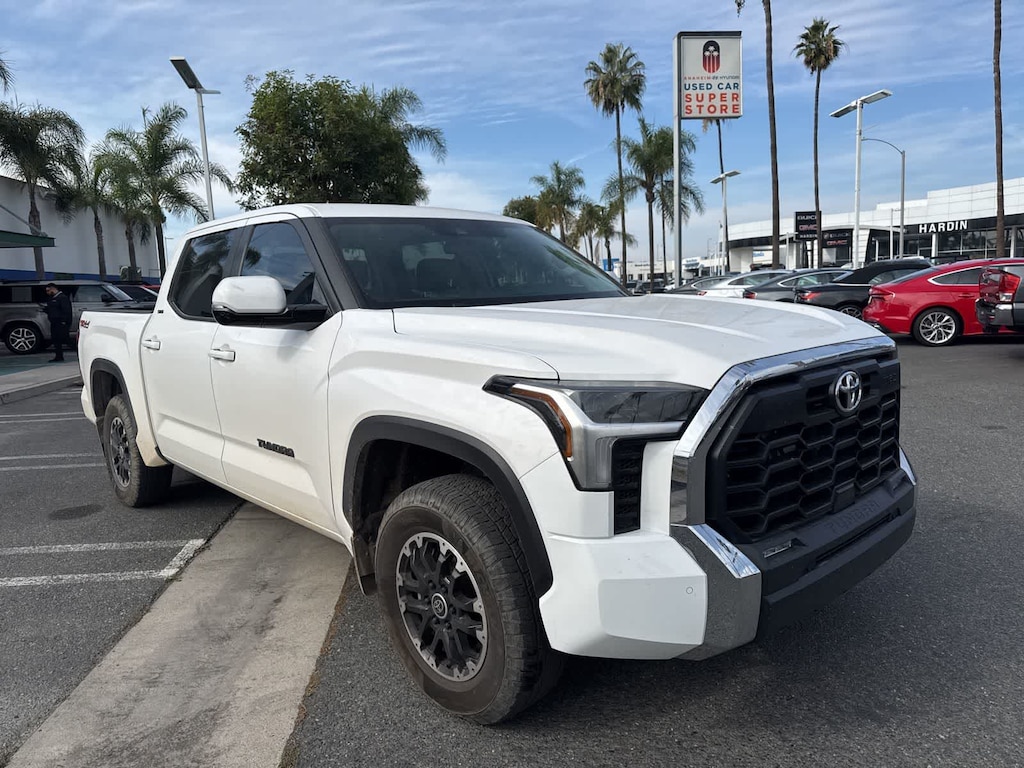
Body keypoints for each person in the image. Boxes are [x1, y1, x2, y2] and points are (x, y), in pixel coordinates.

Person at [44, 283, 73, 362]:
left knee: (66, 339)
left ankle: (78, 352)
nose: (47, 292)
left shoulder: (62, 298)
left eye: (48, 290)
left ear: (53, 289)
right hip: (54, 322)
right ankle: (59, 356)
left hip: (61, 322)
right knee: (56, 340)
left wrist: (64, 321)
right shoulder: (52, 299)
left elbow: (66, 310)